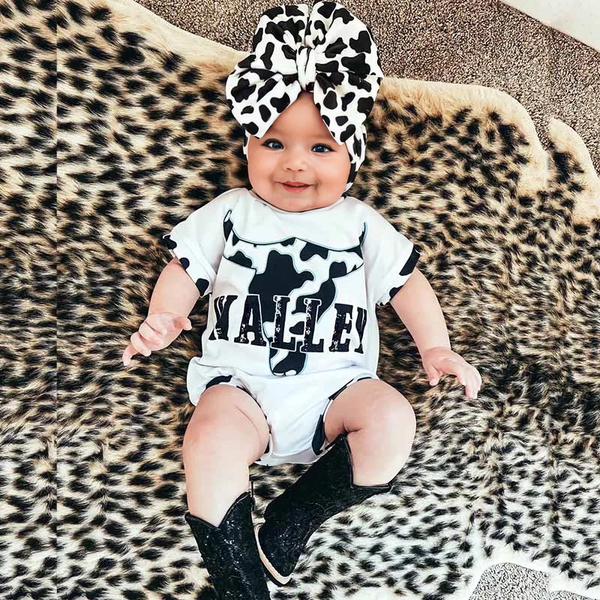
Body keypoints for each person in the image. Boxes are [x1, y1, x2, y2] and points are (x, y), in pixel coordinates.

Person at [122, 2, 482, 598]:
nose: (293, 162)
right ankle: (240, 584)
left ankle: (293, 519)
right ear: (247, 147)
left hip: (337, 392)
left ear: (351, 157)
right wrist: (166, 313)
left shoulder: (359, 224)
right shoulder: (231, 212)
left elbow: (407, 282)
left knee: (393, 419)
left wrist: (436, 347)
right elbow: (185, 267)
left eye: (321, 148)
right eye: (273, 142)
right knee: (207, 440)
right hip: (240, 391)